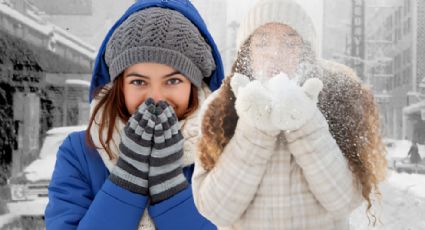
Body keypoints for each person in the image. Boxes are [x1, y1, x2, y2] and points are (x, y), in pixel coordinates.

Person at [192, 0, 387, 229]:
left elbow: (344, 201)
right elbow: (215, 210)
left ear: (305, 52)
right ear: (247, 52)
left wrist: (305, 123)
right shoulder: (219, 107)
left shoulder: (335, 102)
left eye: (290, 44)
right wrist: (254, 129)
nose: (275, 53)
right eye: (262, 43)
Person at [44, 0, 224, 229]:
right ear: (120, 86)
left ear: (194, 85)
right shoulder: (79, 152)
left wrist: (170, 190)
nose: (156, 97)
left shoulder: (222, 153)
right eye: (139, 81)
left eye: (173, 81)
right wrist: (126, 181)